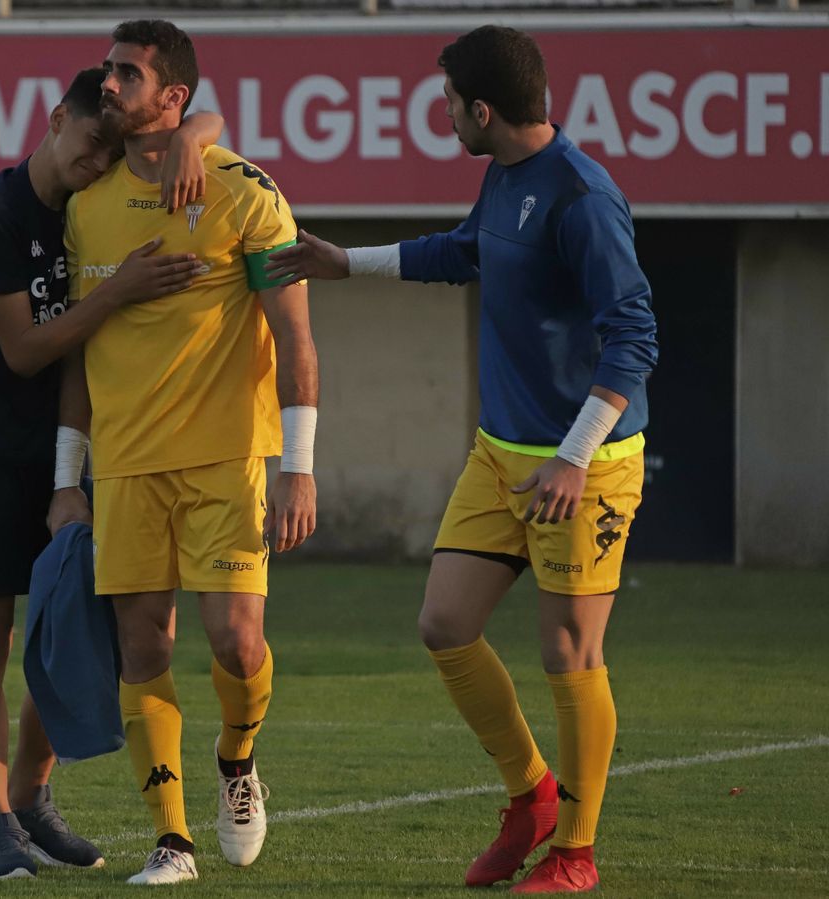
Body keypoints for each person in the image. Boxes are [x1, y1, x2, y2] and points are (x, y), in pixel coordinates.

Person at [265, 25, 658, 894]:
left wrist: (573, 456)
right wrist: (346, 262)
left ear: (483, 109)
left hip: (581, 466)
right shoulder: (505, 177)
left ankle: (576, 853)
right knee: (444, 625)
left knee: (568, 652)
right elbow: (466, 251)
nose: (443, 115)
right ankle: (531, 797)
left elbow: (634, 335)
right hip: (500, 454)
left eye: (448, 101)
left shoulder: (583, 197)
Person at [0, 67, 225, 880]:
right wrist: (122, 291)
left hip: (81, 451)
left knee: (69, 629)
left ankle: (31, 796)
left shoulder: (89, 215)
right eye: (93, 146)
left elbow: (208, 116)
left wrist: (198, 134)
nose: (99, 166)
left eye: (112, 153)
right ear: (57, 118)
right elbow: (27, 351)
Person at [54, 20, 319, 886]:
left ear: (175, 98)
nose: (109, 84)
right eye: (107, 71)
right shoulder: (83, 209)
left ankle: (238, 763)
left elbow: (296, 336)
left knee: (239, 646)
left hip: (227, 456)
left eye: (127, 74)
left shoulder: (245, 192)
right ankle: (172, 839)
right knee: (145, 650)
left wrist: (300, 464)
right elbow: (80, 355)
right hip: (126, 466)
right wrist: (69, 478)